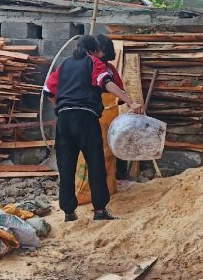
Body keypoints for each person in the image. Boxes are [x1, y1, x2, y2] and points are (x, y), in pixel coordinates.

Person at [45, 35, 143, 222]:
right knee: (96, 164)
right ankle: (99, 211)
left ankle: (68, 213)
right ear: (95, 51)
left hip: (64, 119)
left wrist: (60, 106)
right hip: (85, 118)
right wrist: (130, 101)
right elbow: (105, 82)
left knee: (66, 167)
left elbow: (48, 90)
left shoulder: (65, 64)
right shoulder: (94, 62)